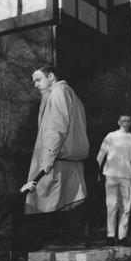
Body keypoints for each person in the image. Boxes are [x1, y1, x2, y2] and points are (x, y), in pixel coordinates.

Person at [24, 63, 89, 249]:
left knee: (41, 200)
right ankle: (69, 241)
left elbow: (56, 126)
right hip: (69, 159)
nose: (35, 84)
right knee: (69, 201)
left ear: (51, 76)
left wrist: (48, 157)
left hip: (56, 159)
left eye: (38, 79)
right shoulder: (71, 94)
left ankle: (34, 248)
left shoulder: (59, 92)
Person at [96, 113, 131, 246]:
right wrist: (97, 172)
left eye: (128, 121)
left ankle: (123, 237)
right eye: (123, 121)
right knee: (111, 206)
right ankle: (110, 236)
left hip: (126, 175)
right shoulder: (111, 136)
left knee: (126, 207)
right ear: (119, 122)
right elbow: (101, 155)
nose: (126, 123)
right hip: (111, 174)